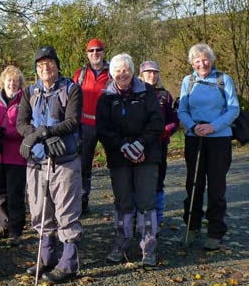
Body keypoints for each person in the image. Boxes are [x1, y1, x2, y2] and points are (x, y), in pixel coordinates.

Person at [17, 46, 83, 284]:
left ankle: (69, 262)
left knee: (66, 210)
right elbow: (21, 122)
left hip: (64, 160)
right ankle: (46, 257)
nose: (46, 68)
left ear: (57, 65)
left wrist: (45, 132)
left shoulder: (71, 89)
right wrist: (35, 136)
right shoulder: (30, 92)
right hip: (36, 160)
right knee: (39, 210)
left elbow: (73, 121)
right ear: (36, 68)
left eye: (50, 63)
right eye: (41, 64)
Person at [96, 53, 163, 267]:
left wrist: (140, 144)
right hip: (119, 156)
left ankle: (149, 248)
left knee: (146, 203)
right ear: (112, 73)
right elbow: (103, 128)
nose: (122, 74)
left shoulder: (147, 92)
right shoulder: (105, 97)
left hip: (147, 153)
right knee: (123, 203)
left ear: (132, 71)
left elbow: (157, 122)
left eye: (126, 69)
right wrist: (123, 145)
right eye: (118, 70)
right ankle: (122, 243)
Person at [177, 43, 239, 251]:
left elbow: (233, 109)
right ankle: (192, 227)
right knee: (193, 184)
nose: (202, 63)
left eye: (205, 59)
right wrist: (193, 127)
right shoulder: (188, 81)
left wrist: (213, 126)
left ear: (211, 60)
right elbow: (182, 110)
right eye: (197, 61)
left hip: (219, 138)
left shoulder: (224, 79)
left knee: (216, 186)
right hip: (195, 137)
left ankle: (215, 232)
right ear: (192, 64)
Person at [0, 65, 27, 246]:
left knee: (15, 193)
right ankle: (3, 224)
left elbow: (26, 125)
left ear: (20, 84)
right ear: (3, 81)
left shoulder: (24, 100)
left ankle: (15, 230)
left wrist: (7, 132)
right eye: (9, 80)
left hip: (17, 154)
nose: (12, 84)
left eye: (15, 81)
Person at [139, 60, 180, 226]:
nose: (152, 75)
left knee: (158, 180)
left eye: (155, 72)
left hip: (160, 144)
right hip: (140, 144)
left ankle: (158, 216)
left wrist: (166, 130)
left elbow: (174, 121)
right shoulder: (134, 92)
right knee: (139, 180)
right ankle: (138, 216)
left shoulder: (165, 95)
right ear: (141, 74)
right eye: (148, 72)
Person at [72, 38, 110, 214]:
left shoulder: (113, 72)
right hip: (85, 125)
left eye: (98, 50)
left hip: (108, 125)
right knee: (84, 164)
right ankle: (82, 199)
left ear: (103, 52)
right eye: (91, 50)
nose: (95, 53)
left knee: (118, 163)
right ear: (87, 54)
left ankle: (123, 199)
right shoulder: (80, 74)